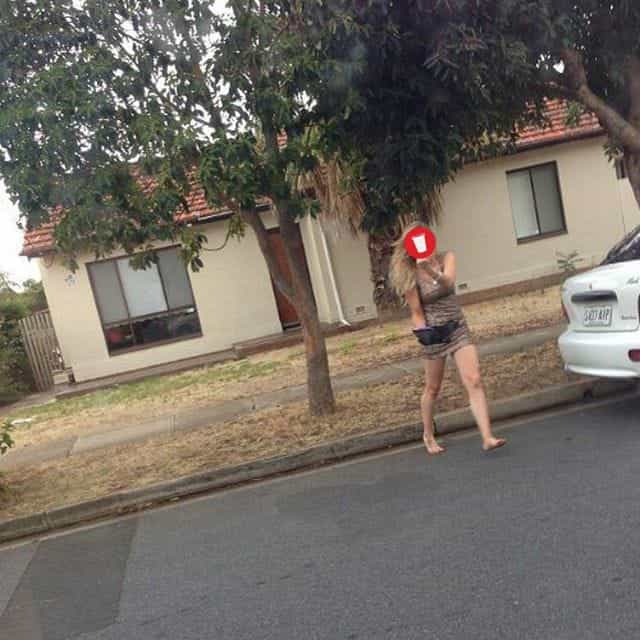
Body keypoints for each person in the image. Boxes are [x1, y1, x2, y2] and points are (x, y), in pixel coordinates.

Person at [390, 222, 506, 455]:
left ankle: (487, 437)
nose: (424, 245)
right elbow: (416, 312)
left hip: (457, 327)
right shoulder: (410, 275)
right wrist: (424, 333)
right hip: (434, 334)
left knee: (474, 379)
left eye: (426, 239)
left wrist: (431, 269)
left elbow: (448, 283)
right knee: (433, 388)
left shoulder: (446, 258)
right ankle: (428, 434)